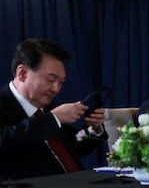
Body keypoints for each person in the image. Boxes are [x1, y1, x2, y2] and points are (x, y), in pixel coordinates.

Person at [0, 38, 107, 179]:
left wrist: (94, 129)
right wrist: (53, 118)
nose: (56, 89)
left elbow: (71, 149)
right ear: (23, 74)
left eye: (61, 82)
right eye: (50, 80)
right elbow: (5, 140)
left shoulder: (48, 107)